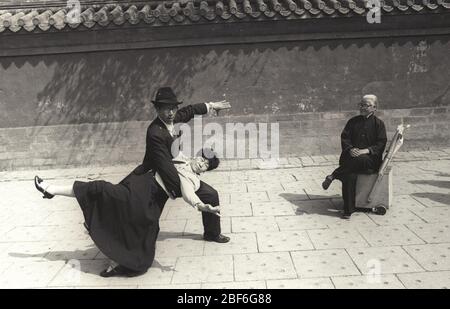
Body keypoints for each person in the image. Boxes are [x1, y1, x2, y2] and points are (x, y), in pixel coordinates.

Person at [33, 149, 221, 278]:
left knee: (135, 228)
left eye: (205, 165)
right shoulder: (181, 157)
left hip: (149, 200)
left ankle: (117, 262)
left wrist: (201, 205)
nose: (201, 164)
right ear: (196, 156)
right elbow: (167, 144)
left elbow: (188, 193)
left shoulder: (192, 179)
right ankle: (51, 189)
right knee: (100, 189)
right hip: (138, 185)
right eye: (202, 159)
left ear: (205, 171)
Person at [130, 87, 231, 243]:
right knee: (148, 218)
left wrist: (211, 105)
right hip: (158, 179)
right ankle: (134, 248)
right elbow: (164, 166)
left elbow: (190, 110)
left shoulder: (174, 118)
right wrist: (181, 189)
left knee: (211, 194)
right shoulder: (154, 132)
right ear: (157, 109)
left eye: (173, 108)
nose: (171, 113)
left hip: (178, 171)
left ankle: (212, 233)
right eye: (166, 109)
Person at [321, 94, 387, 219]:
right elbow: (345, 138)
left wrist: (365, 151)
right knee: (349, 175)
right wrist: (350, 149)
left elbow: (381, 143)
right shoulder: (352, 122)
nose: (362, 107)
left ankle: (334, 175)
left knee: (360, 158)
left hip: (370, 162)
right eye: (361, 105)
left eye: (366, 105)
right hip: (351, 160)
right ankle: (348, 210)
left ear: (374, 108)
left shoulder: (379, 124)